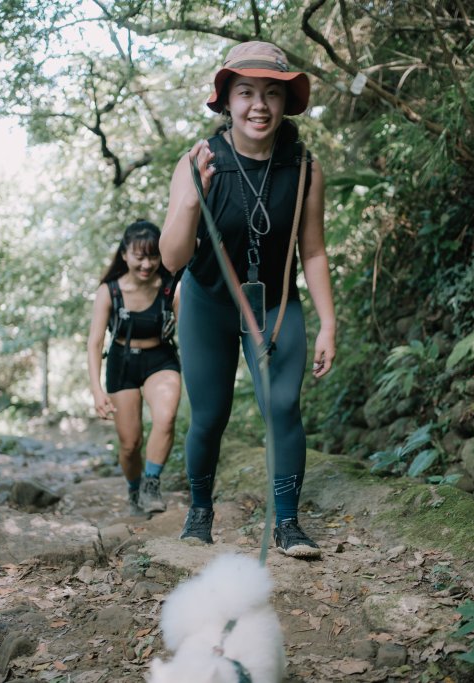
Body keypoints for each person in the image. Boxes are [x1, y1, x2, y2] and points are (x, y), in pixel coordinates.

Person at [160, 41, 336, 559]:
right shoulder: (198, 160)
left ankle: (287, 523)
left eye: (271, 93)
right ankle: (199, 513)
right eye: (246, 92)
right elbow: (172, 258)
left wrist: (328, 322)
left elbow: (315, 252)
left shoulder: (304, 167)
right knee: (209, 415)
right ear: (226, 102)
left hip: (276, 303)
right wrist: (192, 197)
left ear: (286, 103)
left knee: (282, 406)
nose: (259, 105)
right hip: (208, 301)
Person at [87, 220, 182, 516]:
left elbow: (189, 331)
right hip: (122, 362)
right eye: (139, 257)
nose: (146, 264)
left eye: (153, 256)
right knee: (130, 444)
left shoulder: (170, 287)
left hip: (161, 359)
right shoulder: (110, 291)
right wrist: (96, 390)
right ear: (125, 255)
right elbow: (94, 343)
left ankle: (151, 483)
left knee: (165, 419)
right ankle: (134, 489)